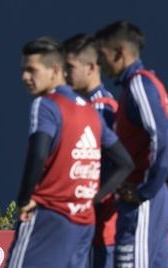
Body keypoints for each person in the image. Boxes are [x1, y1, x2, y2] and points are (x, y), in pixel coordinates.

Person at [6, 36, 133, 268]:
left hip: (50, 216)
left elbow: (38, 154)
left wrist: (24, 200)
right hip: (84, 222)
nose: (25, 77)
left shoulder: (46, 104)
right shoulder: (90, 111)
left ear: (55, 70)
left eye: (31, 70)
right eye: (23, 70)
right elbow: (125, 162)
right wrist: (91, 199)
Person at [95, 21, 168, 268]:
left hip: (142, 199)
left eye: (102, 54)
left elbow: (165, 140)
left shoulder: (140, 84)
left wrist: (145, 191)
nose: (99, 62)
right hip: (147, 197)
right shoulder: (136, 85)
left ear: (119, 52)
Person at [63, 33, 119, 268]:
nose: (65, 74)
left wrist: (94, 199)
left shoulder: (104, 108)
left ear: (92, 67)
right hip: (82, 225)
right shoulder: (81, 107)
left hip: (101, 226)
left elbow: (120, 163)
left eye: (70, 67)